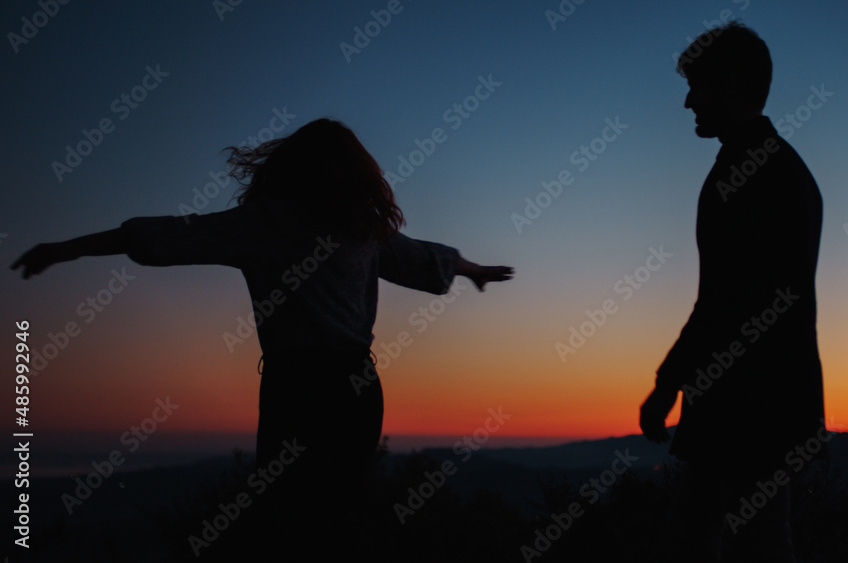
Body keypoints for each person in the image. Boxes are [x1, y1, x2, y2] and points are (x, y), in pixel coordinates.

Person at [11, 118, 513, 559]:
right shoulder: (359, 229)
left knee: (290, 516)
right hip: (355, 389)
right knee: (331, 514)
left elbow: (164, 234)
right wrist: (475, 271)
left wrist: (67, 249)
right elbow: (426, 258)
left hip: (297, 386)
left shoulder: (274, 223)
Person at [638, 22, 825, 562]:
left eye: (697, 86)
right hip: (765, 398)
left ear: (730, 84)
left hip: (747, 402)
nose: (688, 102)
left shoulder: (748, 172)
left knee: (732, 541)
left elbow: (725, 298)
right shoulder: (780, 166)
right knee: (736, 538)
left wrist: (667, 384)